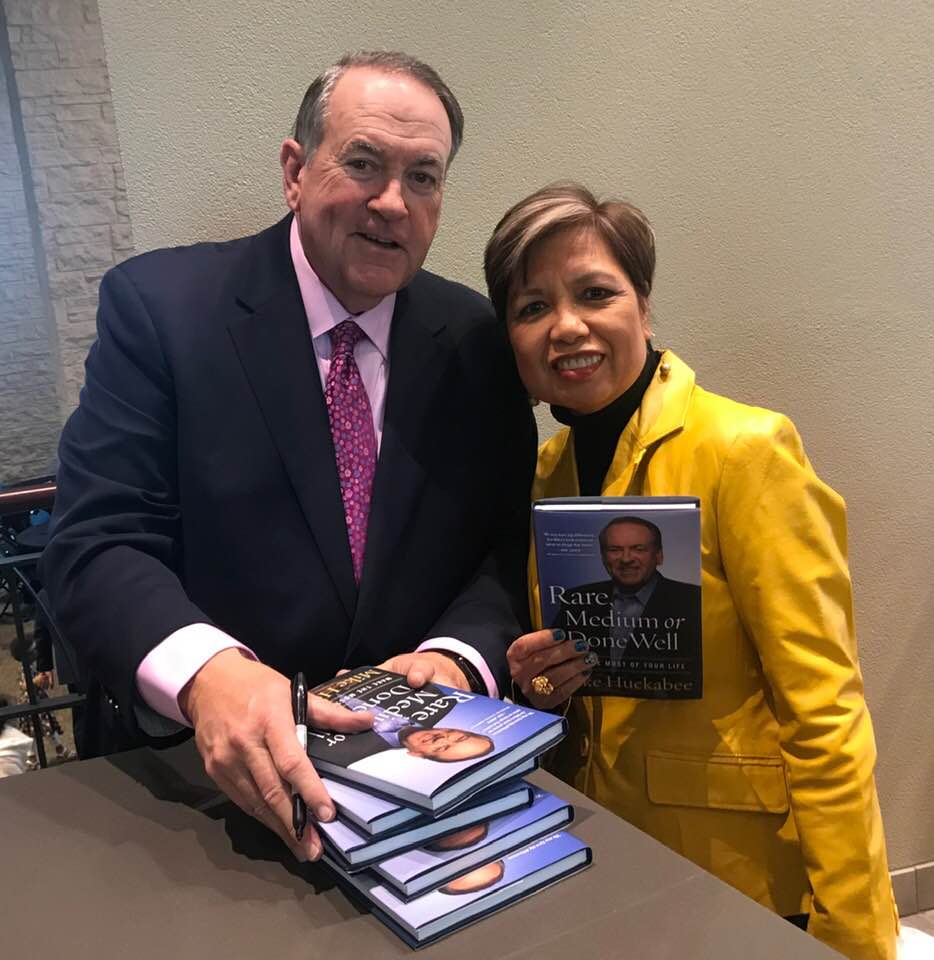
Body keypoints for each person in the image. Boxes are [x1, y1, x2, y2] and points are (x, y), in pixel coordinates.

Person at [39, 51, 535, 864]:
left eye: (424, 178)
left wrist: (458, 657)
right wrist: (210, 676)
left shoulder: (477, 342)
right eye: (364, 164)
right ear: (294, 171)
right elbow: (97, 545)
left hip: (423, 794)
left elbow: (501, 548)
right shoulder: (161, 311)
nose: (391, 203)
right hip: (198, 800)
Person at [484, 183, 897, 960]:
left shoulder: (745, 450)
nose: (566, 325)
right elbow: (572, 689)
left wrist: (855, 938)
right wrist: (538, 687)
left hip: (739, 872)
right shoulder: (546, 474)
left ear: (642, 308)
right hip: (599, 859)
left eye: (595, 292)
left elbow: (826, 711)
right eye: (532, 307)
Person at [550, 515, 700, 666]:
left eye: (638, 549)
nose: (626, 559)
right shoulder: (576, 600)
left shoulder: (691, 599)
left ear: (659, 556)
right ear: (603, 557)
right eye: (615, 550)